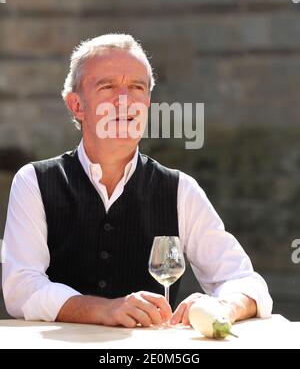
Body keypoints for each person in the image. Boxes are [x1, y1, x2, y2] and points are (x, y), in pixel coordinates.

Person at [2, 34, 272, 328]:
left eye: (136, 88)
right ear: (77, 106)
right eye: (108, 87)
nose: (125, 101)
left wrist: (223, 306)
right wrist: (102, 310)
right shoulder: (34, 182)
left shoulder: (181, 190)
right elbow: (21, 289)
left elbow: (245, 281)